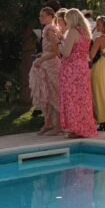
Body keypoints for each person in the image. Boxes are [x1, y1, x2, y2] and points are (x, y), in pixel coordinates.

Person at [57, 8, 97, 139]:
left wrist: (59, 43)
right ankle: (83, 127)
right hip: (82, 67)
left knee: (71, 98)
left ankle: (74, 129)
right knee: (82, 98)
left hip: (71, 69)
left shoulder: (73, 32)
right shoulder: (86, 32)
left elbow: (66, 52)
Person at [30, 7, 62, 135]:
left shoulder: (51, 30)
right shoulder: (47, 29)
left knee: (54, 94)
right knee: (46, 94)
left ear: (50, 16)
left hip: (51, 66)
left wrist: (42, 58)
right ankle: (48, 122)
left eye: (42, 16)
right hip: (45, 64)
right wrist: (41, 55)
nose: (40, 18)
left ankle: (58, 125)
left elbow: (56, 51)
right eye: (40, 16)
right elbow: (49, 50)